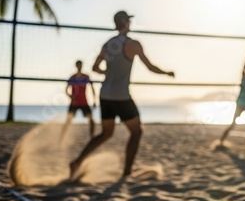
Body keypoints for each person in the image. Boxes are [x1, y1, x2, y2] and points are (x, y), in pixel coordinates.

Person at [69, 10, 175, 178]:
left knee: (106, 133)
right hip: (121, 96)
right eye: (129, 21)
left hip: (105, 95)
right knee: (137, 132)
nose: (131, 24)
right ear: (125, 22)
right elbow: (150, 67)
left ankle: (77, 161)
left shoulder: (108, 44)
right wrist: (167, 73)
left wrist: (109, 74)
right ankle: (126, 173)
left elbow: (95, 68)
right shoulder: (133, 44)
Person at [60, 60, 96, 140]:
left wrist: (94, 100)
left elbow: (92, 89)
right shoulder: (72, 77)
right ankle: (61, 138)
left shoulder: (86, 76)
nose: (79, 66)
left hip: (84, 102)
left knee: (92, 121)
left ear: (82, 66)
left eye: (80, 65)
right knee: (68, 122)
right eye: (78, 65)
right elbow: (66, 90)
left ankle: (92, 137)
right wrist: (71, 97)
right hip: (74, 103)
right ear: (76, 66)